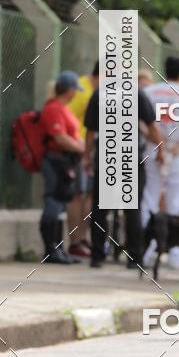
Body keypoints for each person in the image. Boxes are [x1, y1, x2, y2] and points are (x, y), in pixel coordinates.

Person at [84, 87, 163, 269]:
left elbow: (90, 130)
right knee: (133, 207)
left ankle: (97, 256)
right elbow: (151, 125)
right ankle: (134, 258)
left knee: (101, 208)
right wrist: (161, 150)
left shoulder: (99, 94)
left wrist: (87, 156)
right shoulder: (136, 93)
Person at [141, 57, 179, 270]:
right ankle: (176, 252)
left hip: (153, 149)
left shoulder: (150, 92)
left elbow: (140, 121)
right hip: (178, 154)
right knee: (178, 200)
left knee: (150, 197)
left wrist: (157, 144)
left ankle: (147, 249)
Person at [38, 71, 86, 264]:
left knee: (61, 204)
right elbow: (59, 137)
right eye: (75, 90)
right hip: (55, 160)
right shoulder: (54, 108)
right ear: (69, 90)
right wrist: (83, 148)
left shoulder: (64, 109)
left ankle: (58, 248)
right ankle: (50, 249)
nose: (76, 94)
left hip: (65, 162)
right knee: (53, 203)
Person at [65, 61, 99, 259]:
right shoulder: (83, 91)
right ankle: (75, 241)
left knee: (88, 195)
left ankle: (82, 238)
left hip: (88, 148)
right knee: (79, 194)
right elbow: (67, 114)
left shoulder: (93, 90)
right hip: (80, 149)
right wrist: (79, 144)